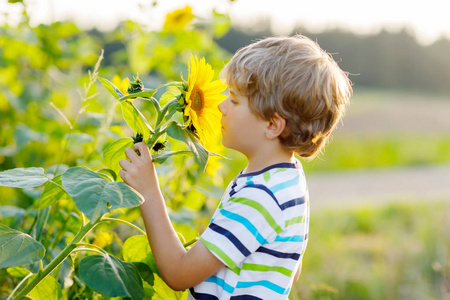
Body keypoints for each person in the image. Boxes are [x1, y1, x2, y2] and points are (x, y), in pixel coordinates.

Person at [119, 35, 352, 299]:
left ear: (272, 125)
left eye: (234, 100)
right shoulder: (288, 180)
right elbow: (290, 268)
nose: (221, 106)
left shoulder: (261, 196)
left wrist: (148, 191)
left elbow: (178, 273)